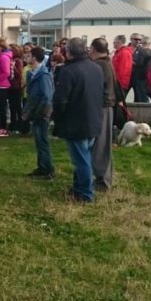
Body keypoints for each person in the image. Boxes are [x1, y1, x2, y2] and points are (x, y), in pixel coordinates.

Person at [52, 38, 104, 203]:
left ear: (69, 52)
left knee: (81, 160)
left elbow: (61, 99)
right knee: (84, 157)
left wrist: (58, 117)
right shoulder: (96, 68)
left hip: (76, 121)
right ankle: (78, 188)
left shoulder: (69, 71)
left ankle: (85, 193)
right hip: (93, 118)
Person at [22, 46, 54, 179]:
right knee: (38, 141)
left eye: (29, 55)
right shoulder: (31, 73)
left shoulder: (44, 75)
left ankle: (48, 169)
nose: (26, 57)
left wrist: (38, 113)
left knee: (42, 141)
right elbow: (31, 95)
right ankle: (42, 166)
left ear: (34, 58)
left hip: (41, 113)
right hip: (35, 112)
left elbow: (46, 97)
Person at [89, 38, 117, 190]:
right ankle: (101, 177)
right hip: (105, 106)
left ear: (93, 49)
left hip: (102, 107)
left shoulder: (100, 66)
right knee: (100, 143)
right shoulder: (107, 63)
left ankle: (102, 180)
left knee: (101, 144)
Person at [130, 34, 151, 103]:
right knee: (139, 96)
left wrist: (132, 62)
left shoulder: (144, 51)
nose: (139, 42)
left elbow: (140, 63)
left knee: (142, 96)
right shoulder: (142, 50)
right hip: (138, 77)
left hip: (141, 77)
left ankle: (144, 113)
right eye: (136, 40)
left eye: (140, 41)